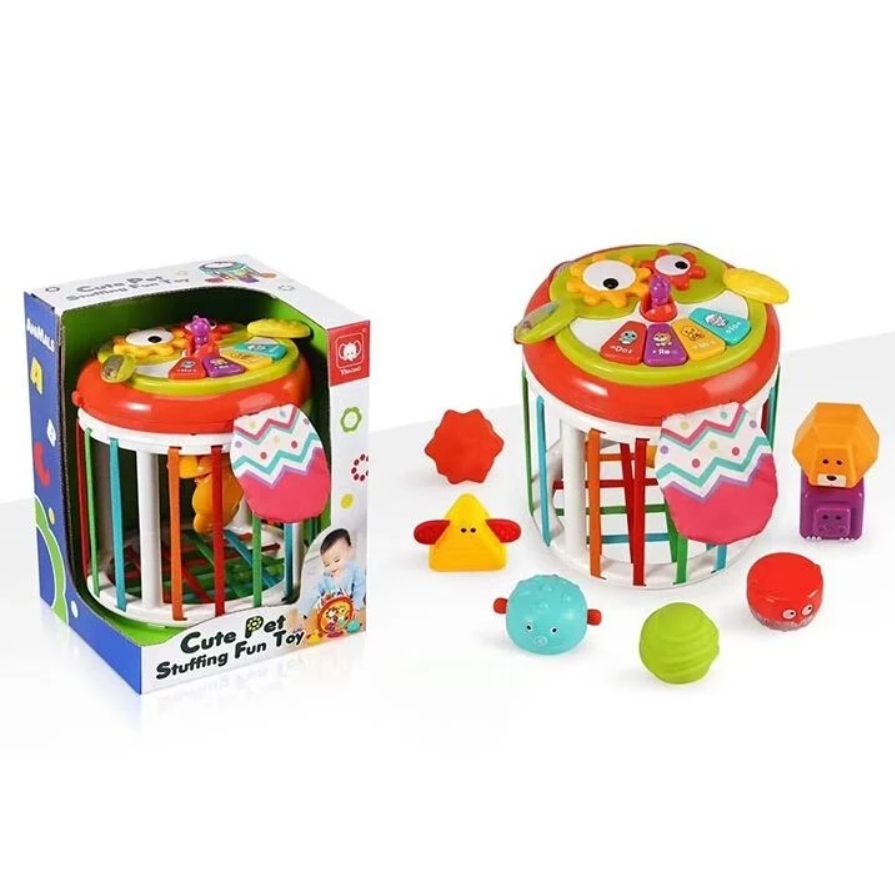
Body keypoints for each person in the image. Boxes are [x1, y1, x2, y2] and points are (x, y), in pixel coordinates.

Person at [297, 528, 366, 618]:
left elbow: (360, 588)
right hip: (332, 614)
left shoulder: (354, 570)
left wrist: (356, 606)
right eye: (327, 564)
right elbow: (313, 593)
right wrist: (303, 612)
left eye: (337, 560)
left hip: (352, 611)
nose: (332, 566)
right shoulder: (325, 578)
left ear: (349, 551)